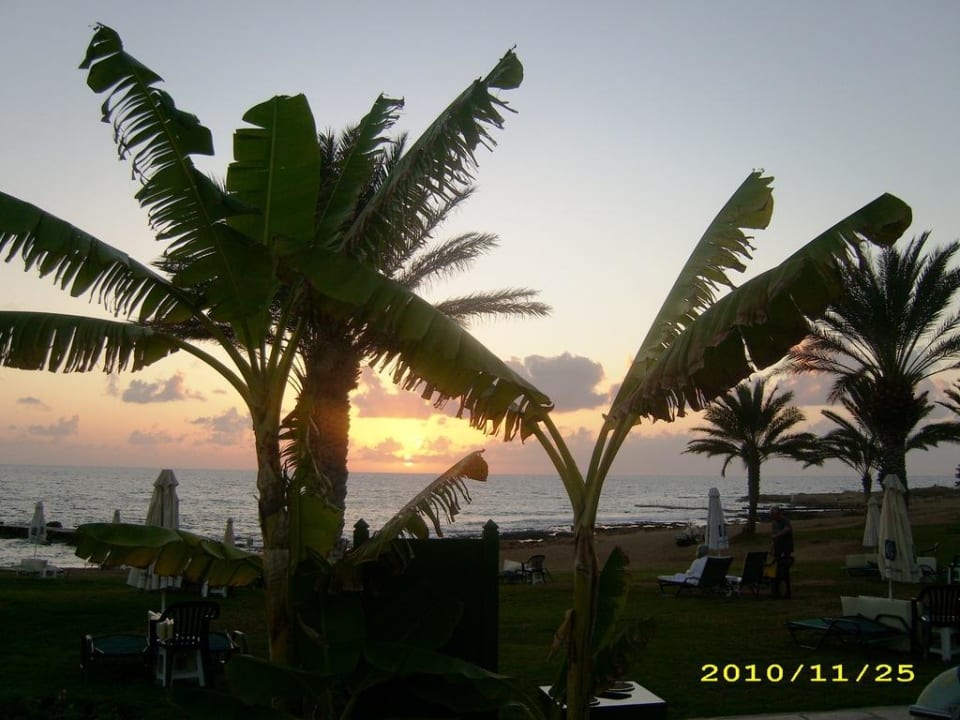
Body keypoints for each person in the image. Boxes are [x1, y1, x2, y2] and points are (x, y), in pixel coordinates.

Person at [769, 506, 793, 599]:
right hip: (777, 549)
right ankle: (776, 591)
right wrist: (772, 547)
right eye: (771, 515)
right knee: (775, 570)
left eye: (773, 515)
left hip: (785, 548)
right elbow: (773, 536)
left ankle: (786, 592)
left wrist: (777, 535)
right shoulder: (774, 523)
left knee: (784, 571)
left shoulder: (784, 520)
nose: (772, 517)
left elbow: (787, 529)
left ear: (778, 514)